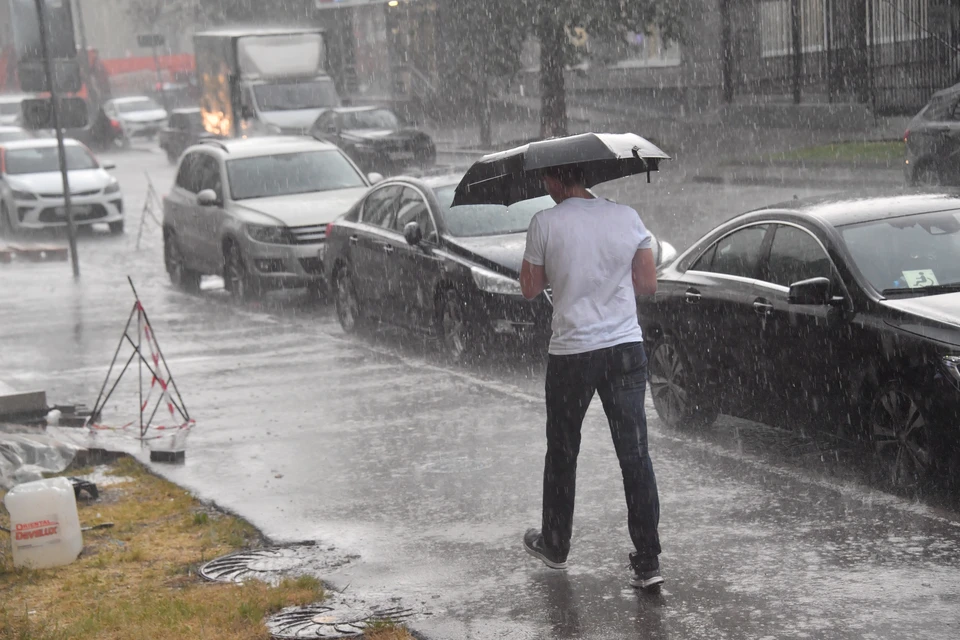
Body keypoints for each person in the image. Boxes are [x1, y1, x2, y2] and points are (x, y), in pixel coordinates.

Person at [519, 164, 663, 591]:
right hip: (623, 349)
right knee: (634, 455)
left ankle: (556, 544)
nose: (545, 189)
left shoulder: (544, 223)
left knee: (563, 451)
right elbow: (647, 282)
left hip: (572, 354)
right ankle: (648, 561)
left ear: (558, 180)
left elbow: (529, 288)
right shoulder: (626, 216)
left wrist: (559, 274)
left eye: (546, 181)